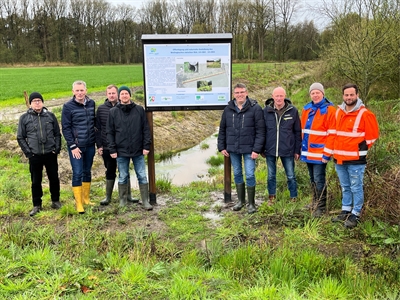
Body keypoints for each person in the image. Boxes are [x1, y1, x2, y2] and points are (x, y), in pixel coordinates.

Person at [331, 83, 379, 228]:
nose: (349, 97)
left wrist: (359, 149)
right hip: (339, 158)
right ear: (343, 96)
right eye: (346, 95)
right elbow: (334, 134)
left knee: (356, 187)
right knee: (345, 186)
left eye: (352, 94)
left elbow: (372, 137)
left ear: (357, 95)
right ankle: (345, 210)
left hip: (356, 160)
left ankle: (355, 213)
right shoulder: (338, 112)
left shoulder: (365, 114)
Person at [217, 83, 265, 214]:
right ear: (234, 95)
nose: (240, 95)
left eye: (242, 92)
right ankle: (240, 201)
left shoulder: (256, 109)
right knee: (237, 173)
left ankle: (251, 204)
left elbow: (261, 131)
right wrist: (221, 146)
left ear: (247, 93)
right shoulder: (228, 109)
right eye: (237, 93)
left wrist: (257, 149)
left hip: (250, 149)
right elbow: (222, 129)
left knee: (250, 174)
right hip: (233, 148)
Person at [106, 85, 153, 210]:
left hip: (138, 149)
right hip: (121, 150)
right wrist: (112, 149)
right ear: (119, 96)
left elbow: (145, 129)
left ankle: (145, 201)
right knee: (123, 175)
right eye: (122, 94)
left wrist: (146, 145)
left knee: (142, 175)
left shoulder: (139, 110)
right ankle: (122, 200)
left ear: (130, 95)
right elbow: (110, 132)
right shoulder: (113, 112)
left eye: (126, 93)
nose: (124, 96)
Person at [17, 92, 62, 216]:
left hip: (50, 154)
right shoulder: (24, 118)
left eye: (39, 100)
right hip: (34, 155)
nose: (37, 102)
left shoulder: (50, 116)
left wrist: (56, 149)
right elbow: (20, 137)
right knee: (36, 181)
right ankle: (37, 205)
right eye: (34, 101)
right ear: (30, 104)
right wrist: (29, 153)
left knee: (54, 178)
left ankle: (55, 201)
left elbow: (57, 134)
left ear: (42, 102)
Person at [96, 85, 139, 206]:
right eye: (109, 93)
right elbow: (98, 129)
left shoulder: (125, 108)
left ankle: (128, 195)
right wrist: (99, 146)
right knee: (110, 170)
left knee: (124, 171)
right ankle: (108, 197)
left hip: (122, 146)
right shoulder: (101, 109)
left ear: (118, 94)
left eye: (113, 93)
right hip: (107, 146)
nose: (111, 95)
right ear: (106, 95)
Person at [300, 82, 336, 217]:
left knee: (319, 179)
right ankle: (315, 202)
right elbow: (303, 131)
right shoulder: (306, 109)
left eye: (317, 92)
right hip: (308, 152)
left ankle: (321, 207)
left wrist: (327, 153)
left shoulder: (330, 110)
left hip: (320, 153)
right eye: (313, 93)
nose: (315, 95)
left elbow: (332, 133)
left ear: (323, 93)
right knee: (312, 179)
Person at [61, 80, 96, 214]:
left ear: (86, 91)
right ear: (73, 92)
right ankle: (79, 203)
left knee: (87, 171)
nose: (80, 93)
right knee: (78, 173)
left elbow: (94, 123)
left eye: (82, 90)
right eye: (77, 90)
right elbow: (66, 128)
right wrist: (73, 145)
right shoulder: (68, 106)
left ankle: (86, 198)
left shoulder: (92, 104)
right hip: (76, 147)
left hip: (90, 145)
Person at [263, 87, 302, 205]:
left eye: (281, 96)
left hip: (288, 149)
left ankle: (293, 197)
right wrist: (261, 148)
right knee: (271, 176)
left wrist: (297, 150)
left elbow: (297, 132)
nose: (279, 98)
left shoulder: (292, 111)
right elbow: (261, 130)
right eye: (277, 96)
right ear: (272, 96)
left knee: (290, 175)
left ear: (285, 96)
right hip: (270, 149)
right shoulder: (266, 111)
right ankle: (272, 198)